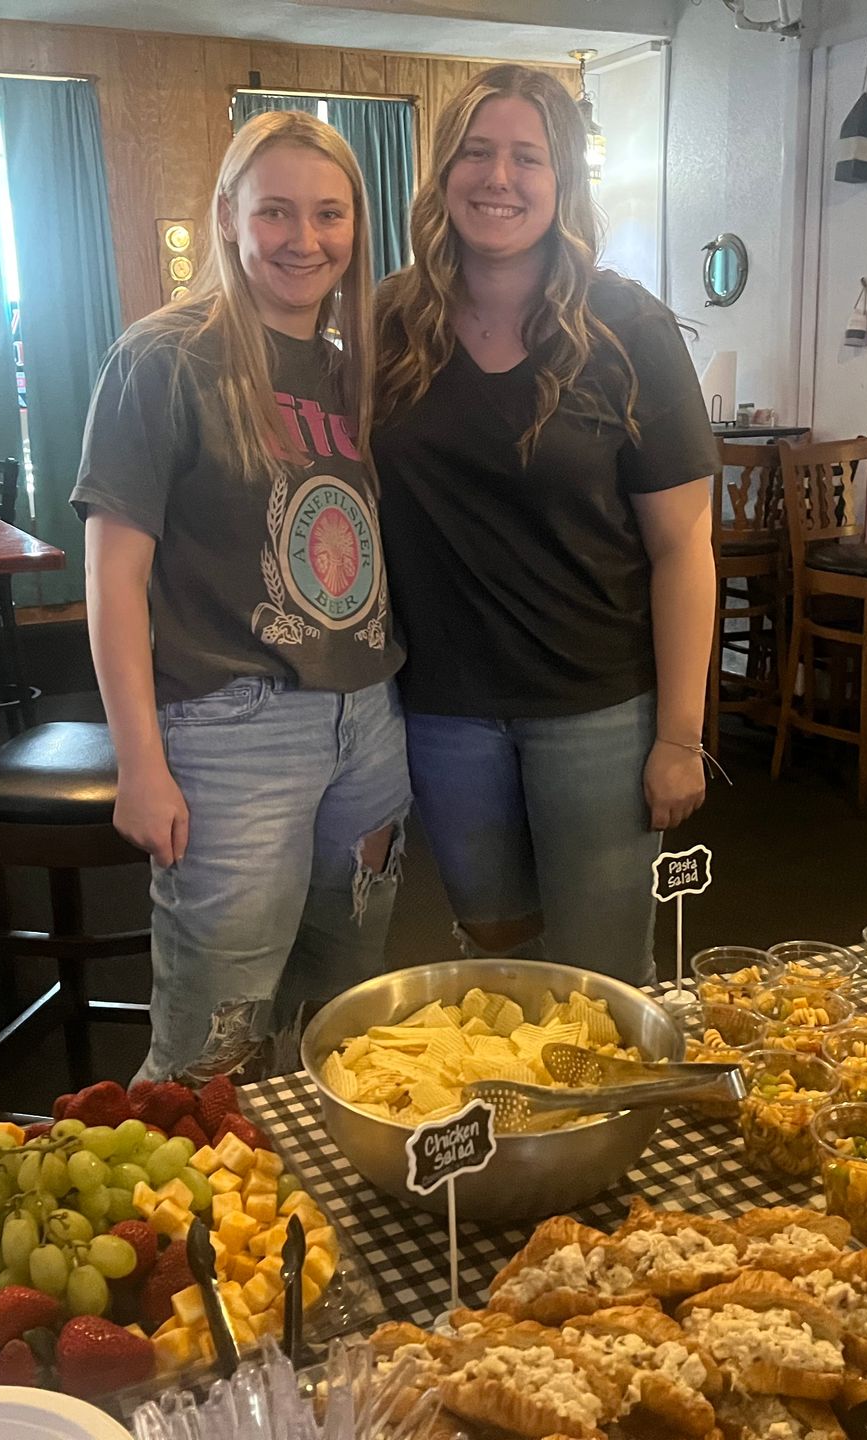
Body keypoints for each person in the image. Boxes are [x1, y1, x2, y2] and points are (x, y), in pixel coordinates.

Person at [74, 111, 406, 1081]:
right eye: (275, 212)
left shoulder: (355, 372)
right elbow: (113, 578)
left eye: (329, 214)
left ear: (356, 227)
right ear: (226, 215)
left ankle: (302, 1181)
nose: (305, 239)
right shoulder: (161, 359)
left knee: (340, 1027)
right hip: (231, 733)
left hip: (368, 724)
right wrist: (140, 764)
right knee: (210, 1049)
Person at [374, 65, 719, 987]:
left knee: (602, 976)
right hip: (444, 708)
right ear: (443, 172)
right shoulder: (389, 325)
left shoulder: (628, 327)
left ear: (563, 178)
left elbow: (684, 547)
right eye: (477, 153)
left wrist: (680, 736)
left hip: (596, 707)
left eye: (527, 157)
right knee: (491, 964)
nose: (500, 177)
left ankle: (597, 1093)